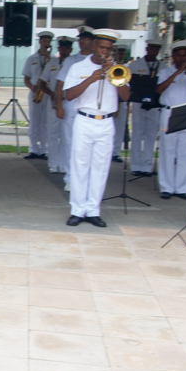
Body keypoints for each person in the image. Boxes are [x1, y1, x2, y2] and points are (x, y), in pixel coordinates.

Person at [63, 29, 130, 228]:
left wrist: (114, 72)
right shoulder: (78, 67)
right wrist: (91, 79)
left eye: (108, 49)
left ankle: (93, 210)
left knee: (100, 168)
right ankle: (77, 210)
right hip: (84, 120)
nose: (104, 52)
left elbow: (126, 96)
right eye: (102, 47)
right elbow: (69, 95)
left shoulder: (118, 68)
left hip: (106, 122)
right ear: (93, 46)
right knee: (80, 167)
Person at [155, 40, 186, 201]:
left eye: (185, 55)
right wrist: (176, 73)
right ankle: (166, 187)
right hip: (169, 112)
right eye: (179, 55)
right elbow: (159, 89)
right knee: (168, 151)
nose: (182, 58)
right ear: (173, 56)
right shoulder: (165, 72)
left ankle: (182, 188)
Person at [55, 27, 95, 191]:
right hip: (72, 106)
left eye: (85, 38)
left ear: (93, 41)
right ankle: (70, 178)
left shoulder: (99, 61)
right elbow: (60, 84)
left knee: (89, 147)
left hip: (90, 108)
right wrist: (59, 105)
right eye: (80, 38)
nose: (81, 41)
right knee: (69, 143)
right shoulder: (71, 61)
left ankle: (87, 178)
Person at [127, 41, 163, 177]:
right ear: (147, 49)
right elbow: (130, 83)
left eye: (156, 49)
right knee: (137, 134)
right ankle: (136, 165)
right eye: (152, 49)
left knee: (151, 135)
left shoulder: (162, 66)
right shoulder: (135, 65)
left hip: (154, 104)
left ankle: (147, 166)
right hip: (138, 103)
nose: (154, 52)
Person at [43, 36, 73, 174]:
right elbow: (42, 82)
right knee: (53, 134)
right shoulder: (52, 63)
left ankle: (64, 164)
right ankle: (53, 163)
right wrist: (51, 94)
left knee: (67, 135)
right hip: (54, 103)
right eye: (62, 48)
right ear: (59, 48)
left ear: (70, 49)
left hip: (69, 101)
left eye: (67, 48)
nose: (64, 50)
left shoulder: (74, 63)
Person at [23, 31, 54, 160]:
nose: (46, 43)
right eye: (44, 41)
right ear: (40, 42)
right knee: (34, 122)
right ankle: (33, 149)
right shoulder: (31, 59)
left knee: (45, 122)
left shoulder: (53, 60)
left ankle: (43, 150)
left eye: (48, 41)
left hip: (48, 93)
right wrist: (32, 87)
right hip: (35, 93)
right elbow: (26, 78)